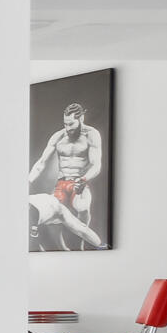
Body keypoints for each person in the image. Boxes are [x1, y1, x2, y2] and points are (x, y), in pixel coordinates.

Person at [27, 101, 106, 250]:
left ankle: (81, 243)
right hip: (61, 182)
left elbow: (97, 165)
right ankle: (63, 249)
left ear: (81, 119)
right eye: (65, 124)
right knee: (56, 217)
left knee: (83, 208)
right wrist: (28, 180)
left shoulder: (91, 135)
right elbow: (41, 163)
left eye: (71, 124)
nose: (67, 128)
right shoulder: (58, 137)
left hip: (80, 180)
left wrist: (84, 179)